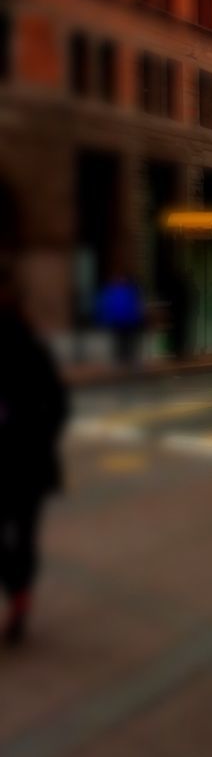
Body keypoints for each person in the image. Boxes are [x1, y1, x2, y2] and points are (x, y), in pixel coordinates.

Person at [0, 261, 69, 645]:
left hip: (25, 457)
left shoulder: (29, 348)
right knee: (21, 535)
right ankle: (19, 591)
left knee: (24, 533)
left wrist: (36, 436)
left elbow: (58, 405)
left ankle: (20, 598)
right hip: (29, 457)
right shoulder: (33, 346)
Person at [96, 273, 146, 367]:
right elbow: (106, 305)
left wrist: (137, 316)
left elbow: (136, 305)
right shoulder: (116, 290)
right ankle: (122, 360)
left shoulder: (128, 290)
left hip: (128, 320)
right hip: (120, 320)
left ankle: (127, 359)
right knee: (121, 341)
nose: (120, 280)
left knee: (127, 340)